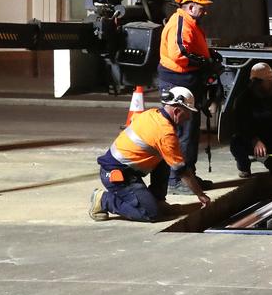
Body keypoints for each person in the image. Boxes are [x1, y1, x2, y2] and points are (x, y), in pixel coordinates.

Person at [89, 86, 211, 222]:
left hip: (128, 170)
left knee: (167, 158)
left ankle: (158, 201)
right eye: (187, 112)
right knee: (151, 214)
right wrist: (200, 195)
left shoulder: (153, 113)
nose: (188, 117)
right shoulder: (165, 133)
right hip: (117, 176)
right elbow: (182, 171)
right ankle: (104, 200)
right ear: (177, 111)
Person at [158, 0, 216, 194]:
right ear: (191, 7)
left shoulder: (189, 21)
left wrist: (209, 56)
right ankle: (176, 179)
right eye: (202, 7)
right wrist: (204, 62)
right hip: (178, 81)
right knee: (183, 132)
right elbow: (179, 53)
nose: (205, 11)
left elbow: (189, 48)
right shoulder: (181, 23)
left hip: (185, 80)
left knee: (189, 132)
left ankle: (187, 174)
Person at [229, 62, 272, 178]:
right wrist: (254, 140)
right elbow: (241, 126)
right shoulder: (243, 100)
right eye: (269, 81)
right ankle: (244, 167)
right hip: (252, 140)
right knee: (236, 143)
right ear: (257, 83)